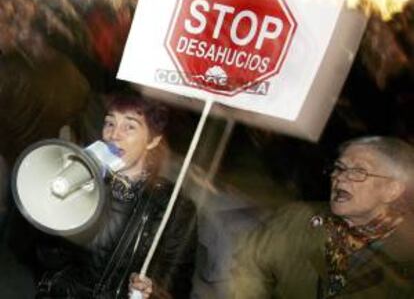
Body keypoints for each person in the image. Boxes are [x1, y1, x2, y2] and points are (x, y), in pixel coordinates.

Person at [35, 89, 197, 298]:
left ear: (153, 140)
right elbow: (46, 260)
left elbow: (178, 285)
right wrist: (57, 208)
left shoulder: (173, 206)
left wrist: (153, 291)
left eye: (129, 126)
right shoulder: (82, 179)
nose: (113, 135)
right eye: (110, 123)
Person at [231, 136, 414, 299]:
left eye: (359, 171)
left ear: (392, 190)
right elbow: (247, 271)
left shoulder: (406, 258)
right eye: (339, 168)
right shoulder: (295, 218)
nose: (340, 178)